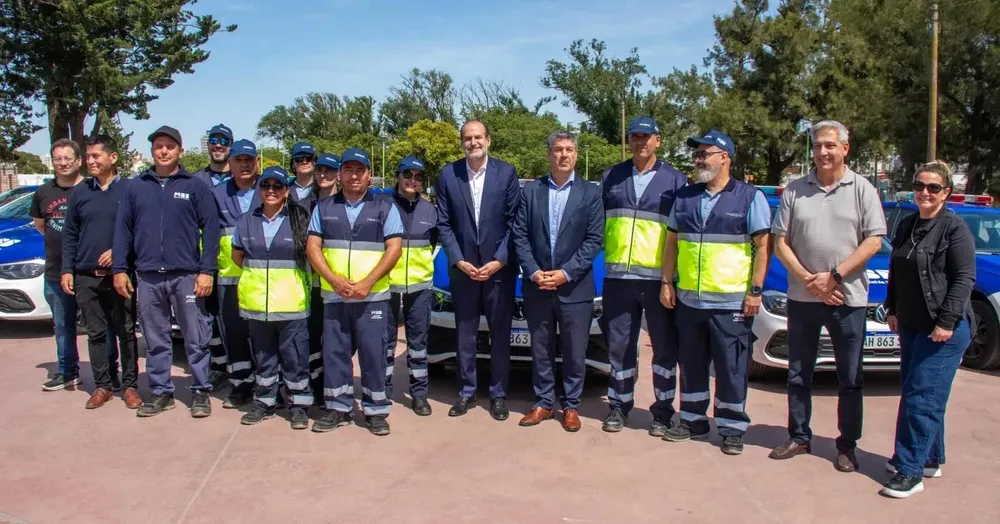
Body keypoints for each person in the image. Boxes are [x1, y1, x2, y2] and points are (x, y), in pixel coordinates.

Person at [768, 120, 886, 472]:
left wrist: (834, 277)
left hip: (847, 300)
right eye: (818, 145)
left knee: (849, 377)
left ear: (845, 149)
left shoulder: (863, 189)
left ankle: (847, 445)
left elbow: (874, 241)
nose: (823, 151)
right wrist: (810, 280)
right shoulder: (794, 190)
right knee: (798, 373)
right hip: (802, 298)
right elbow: (780, 242)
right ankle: (799, 436)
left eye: (830, 145)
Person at [659, 130, 771, 455]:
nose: (698, 160)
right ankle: (692, 422)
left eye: (704, 154)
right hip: (689, 302)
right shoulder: (684, 197)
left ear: (725, 158)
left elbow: (763, 247)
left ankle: (732, 428)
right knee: (691, 365)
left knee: (731, 369)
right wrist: (667, 283)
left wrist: (755, 291)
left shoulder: (749, 197)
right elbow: (671, 243)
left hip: (731, 304)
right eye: (696, 154)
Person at [880, 161, 975, 498]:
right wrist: (893, 307)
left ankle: (910, 471)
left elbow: (964, 279)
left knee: (922, 398)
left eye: (933, 188)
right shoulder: (908, 224)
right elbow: (897, 269)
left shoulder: (954, 229)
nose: (925, 193)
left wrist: (946, 322)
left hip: (943, 329)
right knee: (918, 393)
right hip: (912, 323)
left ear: (945, 192)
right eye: (920, 186)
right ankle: (929, 458)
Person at [113, 125, 220, 418]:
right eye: (158, 146)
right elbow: (123, 230)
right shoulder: (136, 187)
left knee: (196, 337)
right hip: (148, 275)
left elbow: (211, 230)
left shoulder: (195, 186)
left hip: (186, 275)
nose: (163, 151)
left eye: (169, 147)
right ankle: (161, 392)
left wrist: (207, 270)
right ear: (152, 151)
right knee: (155, 339)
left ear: (180, 152)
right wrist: (120, 269)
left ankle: (200, 391)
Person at [600, 117, 688, 434]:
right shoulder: (611, 176)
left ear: (658, 141)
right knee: (619, 347)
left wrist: (670, 280)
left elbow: (680, 235)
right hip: (618, 279)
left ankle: (662, 413)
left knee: (664, 349)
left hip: (657, 281)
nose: (640, 142)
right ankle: (618, 407)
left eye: (646, 137)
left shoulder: (676, 181)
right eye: (635, 137)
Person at [306, 148, 402, 436]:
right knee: (335, 354)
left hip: (372, 297)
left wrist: (368, 282)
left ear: (369, 174)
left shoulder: (385, 207)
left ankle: (375, 411)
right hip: (335, 296)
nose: (354, 175)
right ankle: (338, 408)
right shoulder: (323, 208)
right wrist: (333, 280)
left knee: (373, 356)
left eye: (360, 170)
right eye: (348, 169)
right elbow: (313, 247)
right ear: (340, 174)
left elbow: (394, 249)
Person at [512, 131, 603, 432]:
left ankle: (571, 405)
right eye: (558, 149)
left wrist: (566, 273)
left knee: (575, 350)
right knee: (541, 348)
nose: (564, 154)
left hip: (575, 287)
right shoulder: (531, 191)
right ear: (549, 154)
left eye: (570, 149)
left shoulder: (591, 193)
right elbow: (520, 235)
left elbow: (594, 240)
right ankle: (544, 402)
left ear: (576, 155)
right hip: (537, 284)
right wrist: (533, 271)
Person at [436, 120, 520, 420]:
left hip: (499, 270)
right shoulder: (449, 174)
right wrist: (458, 260)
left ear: (488, 140)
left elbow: (515, 221)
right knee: (466, 334)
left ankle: (498, 395)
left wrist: (499, 260)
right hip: (464, 270)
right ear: (462, 142)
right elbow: (444, 223)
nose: (473, 142)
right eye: (467, 138)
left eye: (478, 137)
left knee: (500, 334)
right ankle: (466, 392)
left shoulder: (506, 173)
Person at [60, 135, 141, 410]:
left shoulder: (130, 190)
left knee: (126, 332)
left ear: (113, 157)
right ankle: (103, 386)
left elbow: (140, 231)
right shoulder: (81, 192)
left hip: (120, 275)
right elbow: (70, 234)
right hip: (86, 275)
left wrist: (121, 252)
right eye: (88, 157)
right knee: (95, 333)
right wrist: (67, 269)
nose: (90, 161)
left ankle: (130, 386)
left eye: (96, 156)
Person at [231, 166, 314, 430]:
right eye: (265, 185)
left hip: (291, 304)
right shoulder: (246, 221)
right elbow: (237, 256)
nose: (271, 190)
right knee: (264, 358)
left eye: (277, 186)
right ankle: (264, 403)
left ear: (286, 191)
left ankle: (298, 406)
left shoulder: (300, 219)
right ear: (259, 189)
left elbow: (312, 257)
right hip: (258, 305)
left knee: (295, 358)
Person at [31, 138, 87, 391]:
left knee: (103, 326)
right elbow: (41, 226)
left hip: (87, 270)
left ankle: (108, 375)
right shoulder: (43, 192)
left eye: (68, 158)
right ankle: (67, 372)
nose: (63, 163)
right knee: (63, 326)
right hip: (55, 271)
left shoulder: (91, 188)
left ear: (79, 160)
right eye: (58, 159)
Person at [385, 156, 438, 416]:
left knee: (418, 344)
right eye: (407, 175)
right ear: (398, 176)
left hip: (419, 286)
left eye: (418, 176)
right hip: (386, 284)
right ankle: (382, 390)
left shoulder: (430, 210)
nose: (412, 180)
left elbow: (434, 242)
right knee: (385, 342)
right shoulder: (383, 205)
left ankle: (419, 395)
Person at [212, 139, 262, 409]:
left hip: (264, 278)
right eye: (238, 160)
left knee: (265, 337)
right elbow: (206, 236)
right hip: (230, 279)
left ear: (257, 162)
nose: (244, 164)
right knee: (234, 335)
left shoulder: (271, 188)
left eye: (249, 160)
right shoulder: (216, 194)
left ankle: (268, 387)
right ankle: (240, 385)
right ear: (229, 163)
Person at [192, 123, 234, 389]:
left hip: (236, 263)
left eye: (224, 141)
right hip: (205, 261)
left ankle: (243, 367)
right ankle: (219, 365)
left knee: (237, 320)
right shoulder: (195, 180)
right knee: (209, 319)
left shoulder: (244, 177)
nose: (218, 145)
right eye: (214, 140)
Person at [306, 153, 341, 404]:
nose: (323, 175)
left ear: (337, 174)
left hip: (339, 285)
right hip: (312, 283)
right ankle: (317, 388)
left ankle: (334, 385)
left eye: (329, 170)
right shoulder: (304, 204)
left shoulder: (344, 204)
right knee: (313, 338)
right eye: (320, 170)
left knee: (337, 341)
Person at [288, 141, 318, 208]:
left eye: (309, 158)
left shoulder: (324, 188)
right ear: (293, 164)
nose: (304, 162)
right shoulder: (283, 190)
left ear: (315, 161)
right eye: (299, 159)